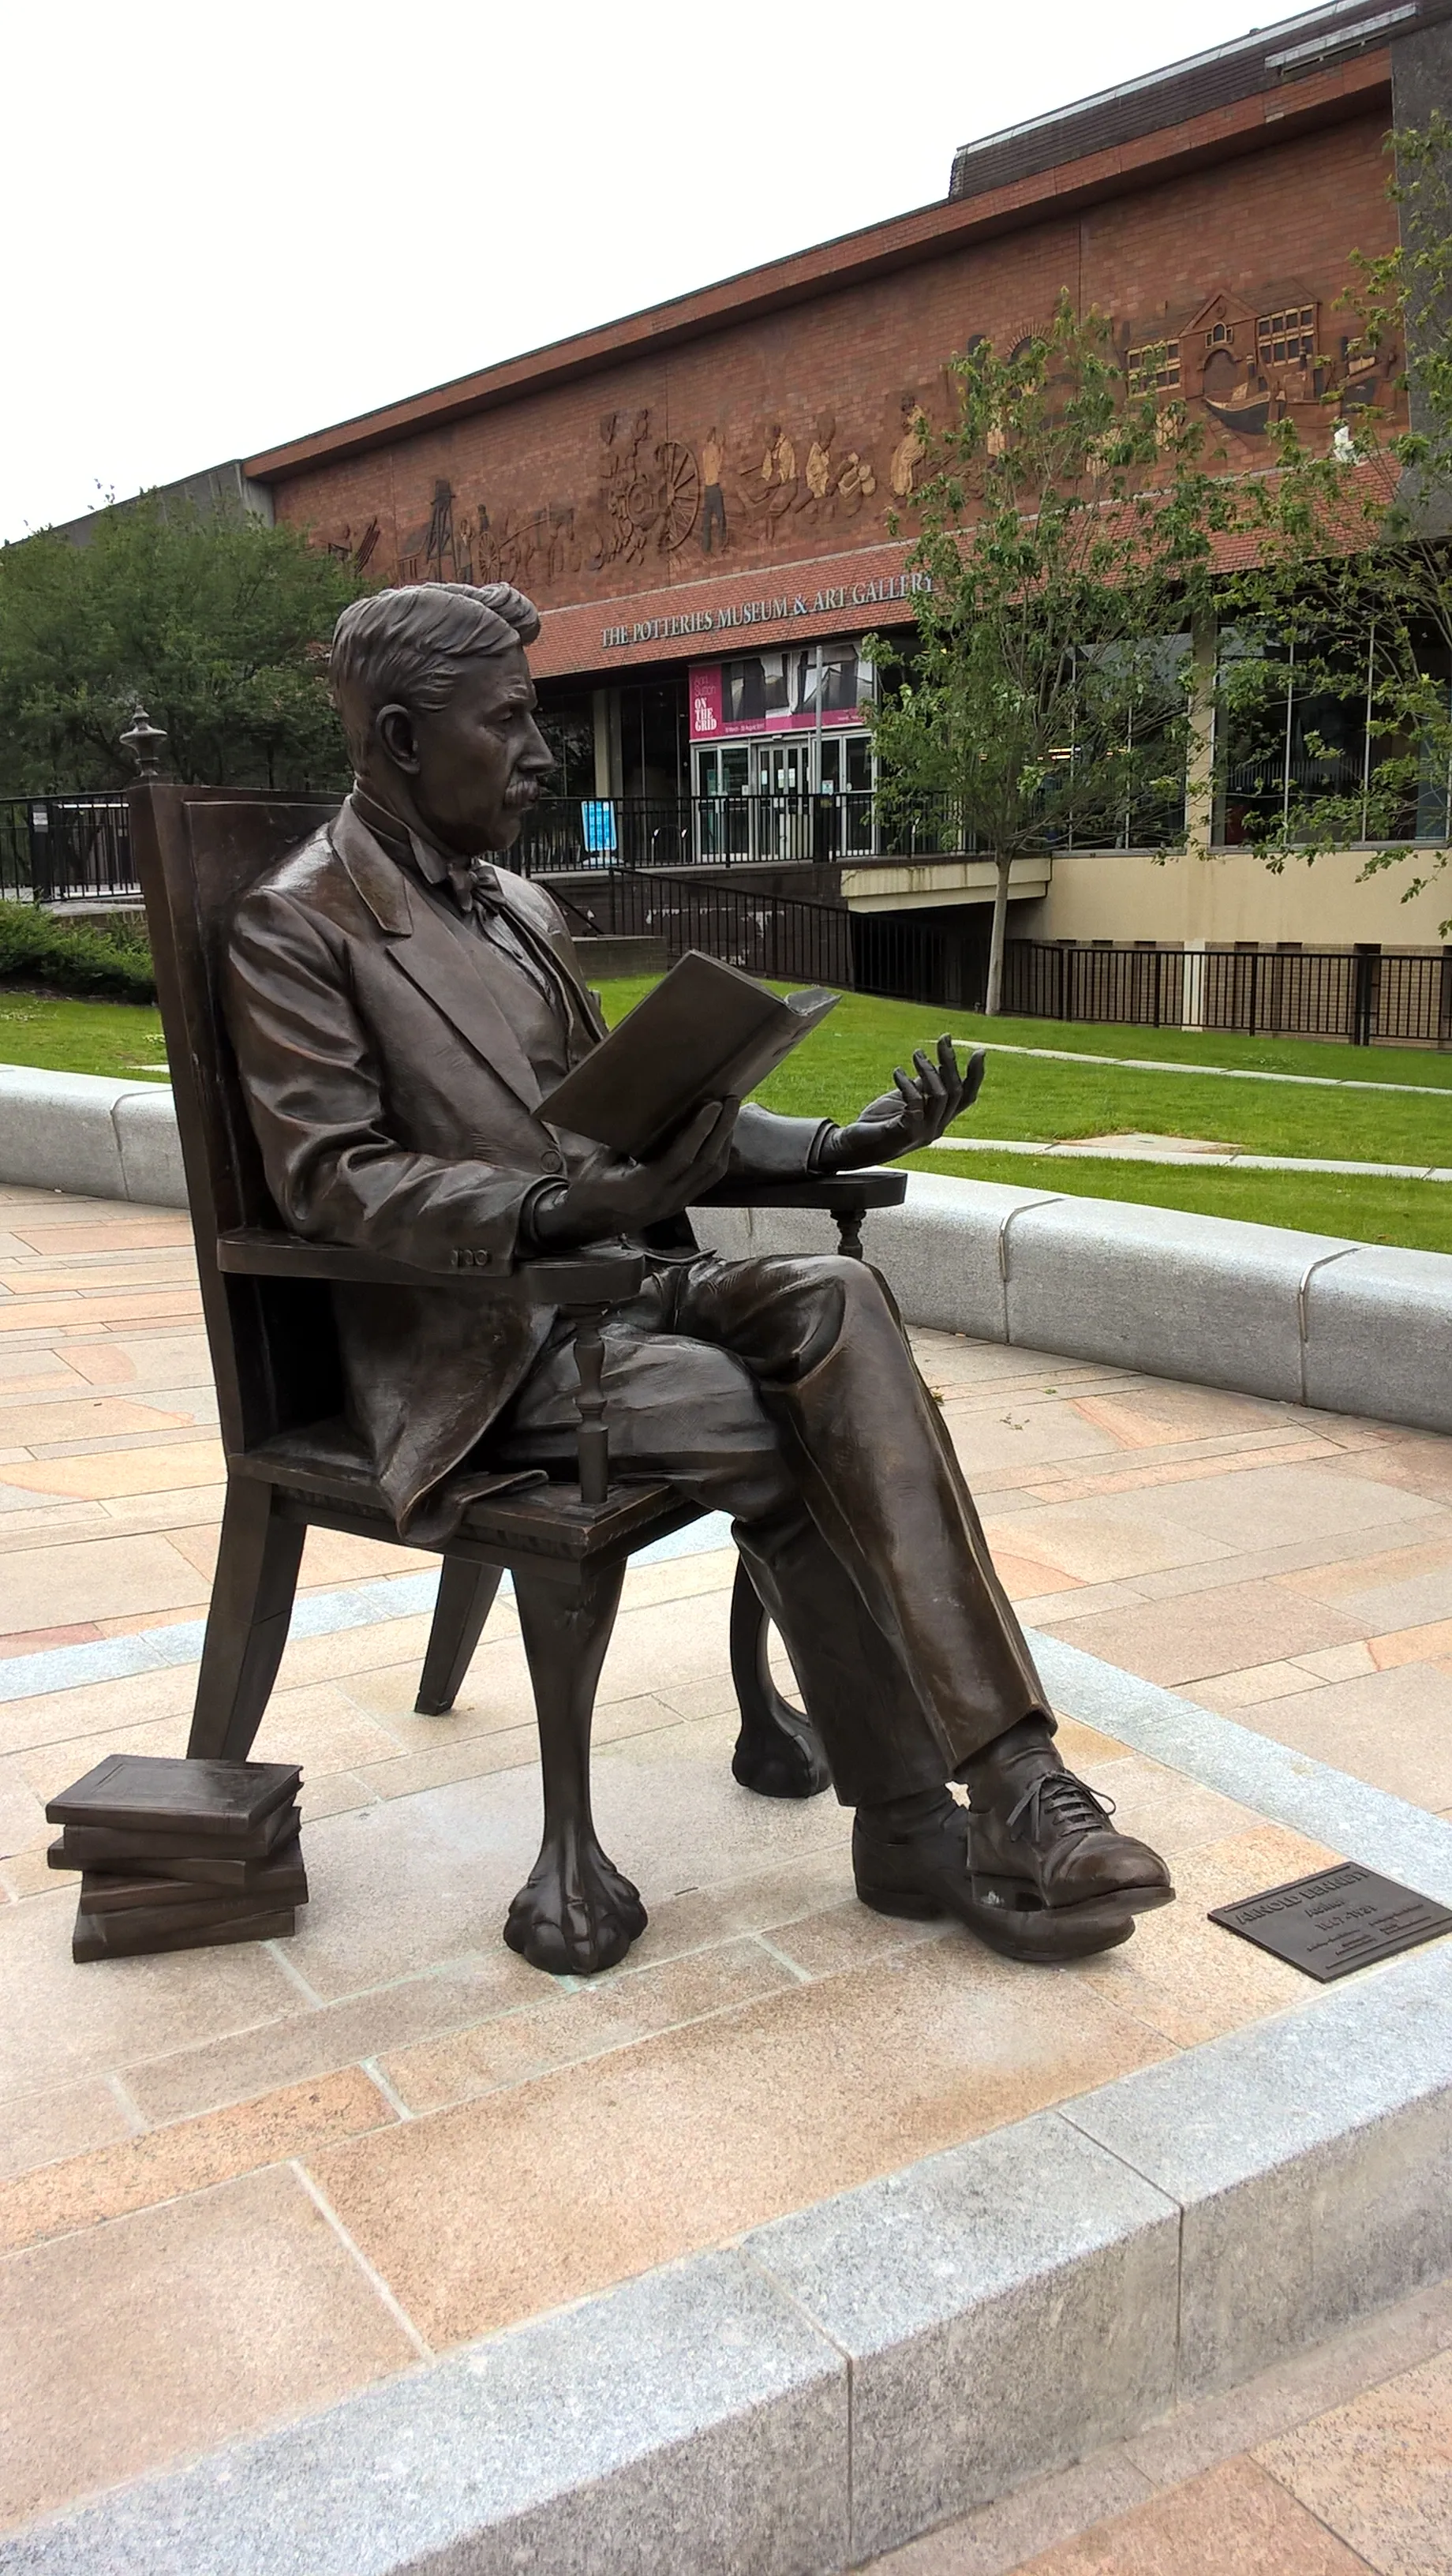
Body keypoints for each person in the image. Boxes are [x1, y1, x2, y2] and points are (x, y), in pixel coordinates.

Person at [226, 582, 1173, 1975]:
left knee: (838, 1304)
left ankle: (1012, 1780)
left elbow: (639, 1113)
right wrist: (558, 1205)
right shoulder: (296, 927)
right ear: (403, 738)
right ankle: (923, 1818)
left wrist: (830, 1144)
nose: (543, 758)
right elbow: (334, 1180)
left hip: (621, 1287)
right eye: (510, 725)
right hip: (484, 1340)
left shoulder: (523, 910)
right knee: (784, 1430)